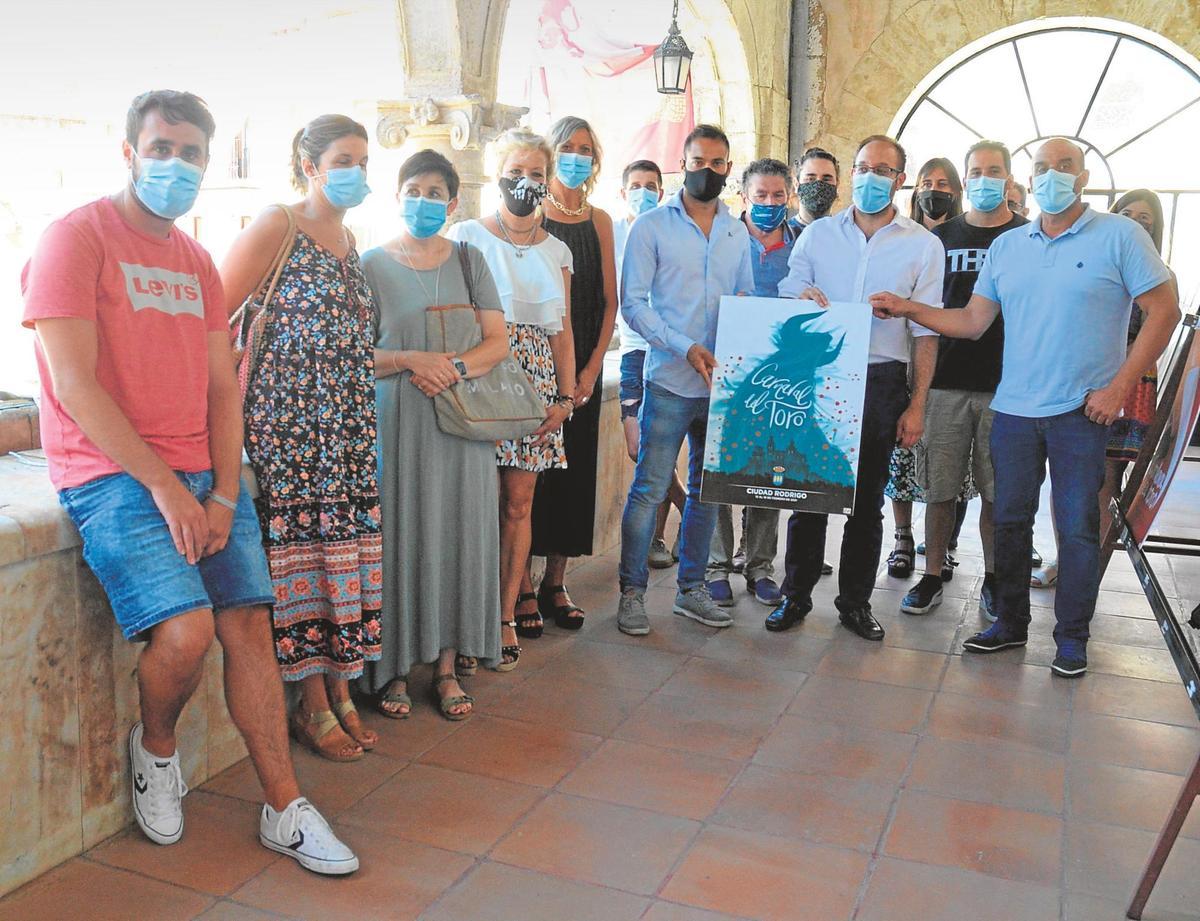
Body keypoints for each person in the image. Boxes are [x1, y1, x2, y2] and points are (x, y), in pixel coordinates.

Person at [22, 90, 356, 873]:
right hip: (111, 474)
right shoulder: (76, 240)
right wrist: (168, 490)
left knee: (248, 627)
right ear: (129, 151)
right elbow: (72, 385)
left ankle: (284, 806)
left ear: (207, 163)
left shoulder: (197, 261)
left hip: (204, 471)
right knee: (187, 631)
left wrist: (222, 492)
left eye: (190, 154)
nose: (174, 165)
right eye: (160, 148)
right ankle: (157, 748)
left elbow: (219, 388)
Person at [871, 137, 1180, 677]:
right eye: (1043, 168)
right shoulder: (1010, 248)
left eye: (1066, 167)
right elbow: (971, 321)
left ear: (1083, 177)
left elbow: (1164, 310)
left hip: (1082, 413)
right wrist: (906, 308)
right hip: (1013, 410)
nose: (1053, 176)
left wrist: (1118, 388)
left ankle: (1071, 639)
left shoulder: (1120, 236)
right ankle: (1010, 625)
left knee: (1077, 526)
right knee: (1010, 522)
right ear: (1030, 179)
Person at [221, 114, 382, 762]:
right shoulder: (277, 225)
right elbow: (212, 311)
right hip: (289, 429)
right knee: (307, 557)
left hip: (346, 428)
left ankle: (342, 686)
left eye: (365, 160)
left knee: (345, 555)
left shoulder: (349, 235)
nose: (357, 171)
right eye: (344, 158)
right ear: (309, 165)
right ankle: (311, 702)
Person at [769, 134, 944, 641]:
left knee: (866, 501)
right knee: (809, 494)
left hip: (881, 379)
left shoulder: (922, 246)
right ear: (853, 174)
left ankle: (854, 603)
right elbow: (787, 287)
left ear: (899, 179)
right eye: (864, 167)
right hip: (817, 375)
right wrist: (801, 293)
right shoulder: (819, 235)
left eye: (883, 170)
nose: (871, 177)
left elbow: (926, 331)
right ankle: (795, 596)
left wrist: (917, 405)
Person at [362, 150, 510, 720]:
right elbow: (357, 354)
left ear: (452, 203)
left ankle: (447, 667)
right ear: (397, 195)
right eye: (413, 189)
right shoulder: (370, 264)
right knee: (400, 534)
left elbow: (497, 341)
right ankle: (394, 668)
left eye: (434, 192)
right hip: (397, 422)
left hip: (462, 420)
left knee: (459, 534)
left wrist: (455, 368)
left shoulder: (472, 261)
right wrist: (409, 360)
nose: (423, 200)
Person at [616, 124, 754, 636]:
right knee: (650, 490)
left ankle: (691, 591)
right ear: (683, 161)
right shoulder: (651, 226)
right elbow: (633, 305)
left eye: (718, 164)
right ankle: (631, 594)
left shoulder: (737, 232)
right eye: (699, 161)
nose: (708, 171)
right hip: (671, 381)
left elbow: (745, 305)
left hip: (721, 387)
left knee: (707, 492)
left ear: (727, 169)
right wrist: (684, 346)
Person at [447, 129, 575, 669]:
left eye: (537, 174)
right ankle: (461, 623)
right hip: (480, 377)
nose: (527, 182)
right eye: (517, 171)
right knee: (471, 506)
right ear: (497, 173)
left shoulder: (559, 248)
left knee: (517, 505)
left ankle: (501, 616)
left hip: (537, 385)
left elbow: (562, 330)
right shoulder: (467, 235)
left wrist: (566, 397)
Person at [900, 140, 1027, 622]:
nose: (984, 179)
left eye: (994, 170)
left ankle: (994, 577)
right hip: (946, 381)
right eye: (976, 171)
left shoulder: (1025, 237)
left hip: (1006, 386)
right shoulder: (940, 237)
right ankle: (932, 574)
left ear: (1009, 178)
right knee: (940, 488)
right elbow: (924, 311)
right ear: (967, 180)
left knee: (998, 492)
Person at [526, 116, 619, 632]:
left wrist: (590, 370)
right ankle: (520, 584)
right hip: (534, 365)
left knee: (574, 475)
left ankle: (555, 582)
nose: (577, 156)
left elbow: (610, 302)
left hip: (583, 370)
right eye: (568, 147)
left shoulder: (599, 219)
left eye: (586, 148)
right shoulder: (532, 211)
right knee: (529, 480)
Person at [705, 157, 796, 609]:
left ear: (789, 197)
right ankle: (716, 565)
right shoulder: (722, 238)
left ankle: (760, 566)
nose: (769, 203)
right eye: (760, 195)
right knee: (719, 469)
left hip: (779, 379)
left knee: (771, 470)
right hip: (725, 371)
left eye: (778, 196)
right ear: (744, 197)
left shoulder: (802, 243)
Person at [885, 157, 967, 581]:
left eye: (943, 183)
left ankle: (944, 543)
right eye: (926, 182)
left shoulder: (964, 238)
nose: (934, 190)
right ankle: (901, 536)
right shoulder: (904, 239)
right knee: (902, 456)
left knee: (952, 463)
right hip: (903, 362)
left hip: (955, 363)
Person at [615, 159, 687, 568]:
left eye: (650, 185)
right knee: (639, 449)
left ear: (661, 191)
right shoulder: (614, 232)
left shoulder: (668, 229)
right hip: (631, 352)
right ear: (623, 191)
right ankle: (688, 505)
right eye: (635, 184)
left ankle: (657, 539)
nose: (643, 191)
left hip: (668, 352)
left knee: (658, 453)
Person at [791, 147, 840, 230]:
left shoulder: (845, 236)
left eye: (826, 179)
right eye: (810, 179)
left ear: (837, 184)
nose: (818, 186)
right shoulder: (779, 236)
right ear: (796, 184)